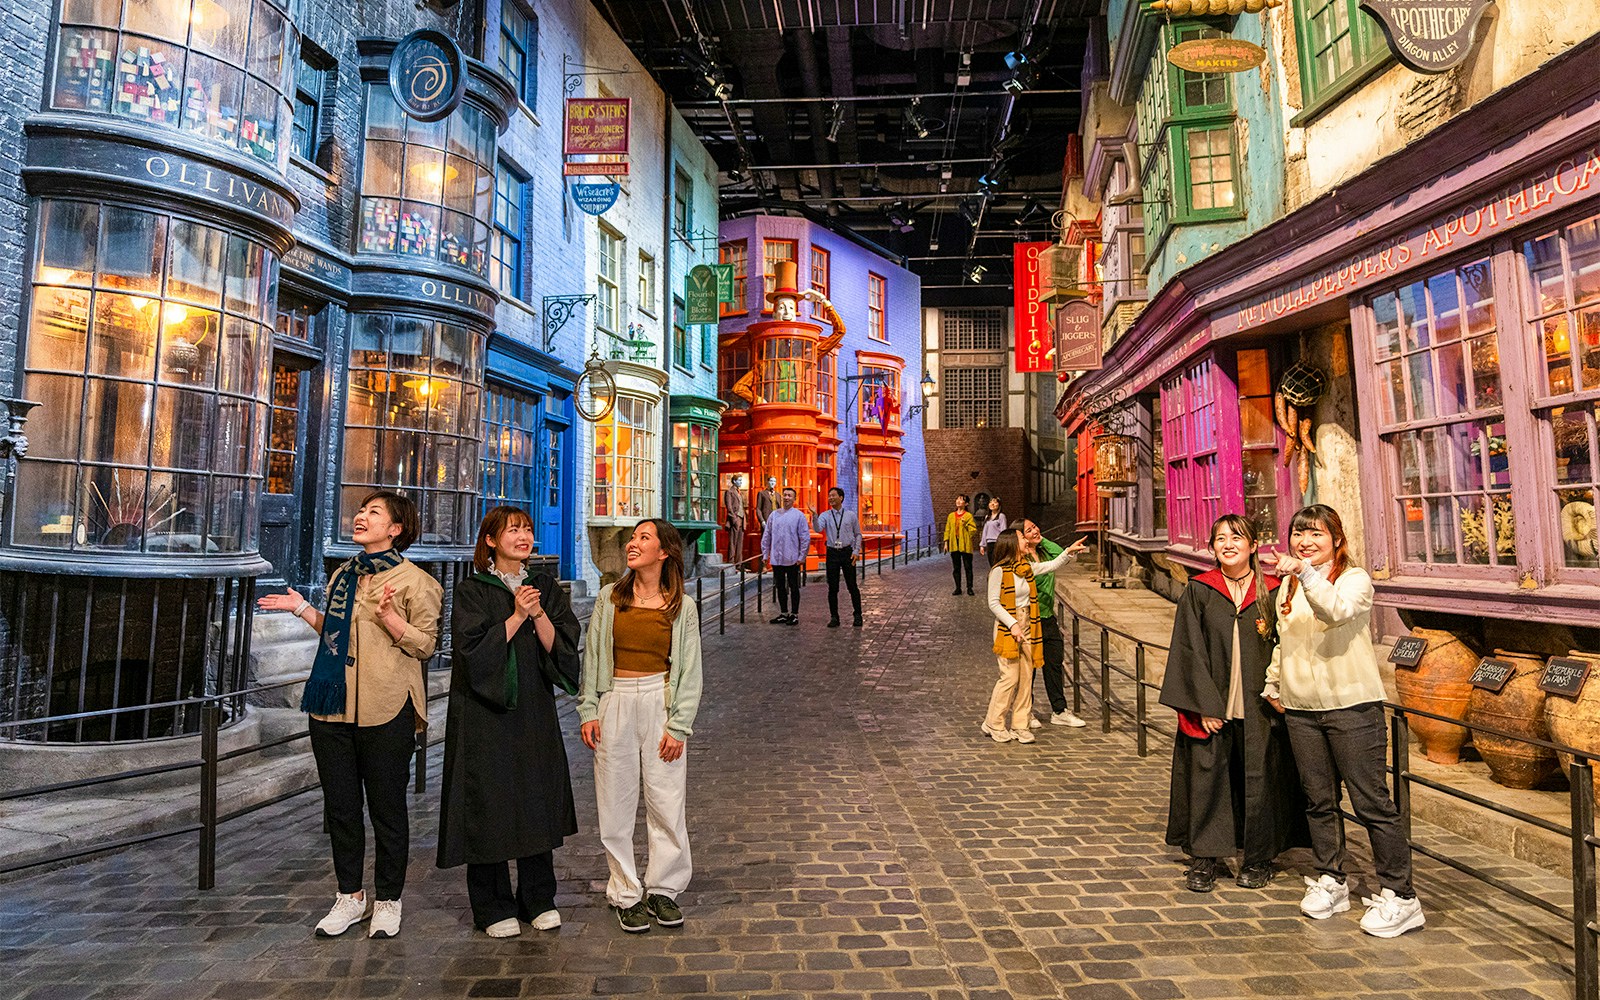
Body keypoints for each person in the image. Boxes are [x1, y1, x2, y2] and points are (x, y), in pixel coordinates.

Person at [258, 490, 441, 940]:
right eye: (361, 511)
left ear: (395, 528)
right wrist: (301, 608)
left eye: (373, 513)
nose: (361, 517)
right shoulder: (343, 575)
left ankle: (388, 900)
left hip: (387, 706)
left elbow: (427, 645)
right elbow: (336, 635)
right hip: (332, 709)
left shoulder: (417, 583)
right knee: (341, 808)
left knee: (387, 810)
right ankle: (349, 897)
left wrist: (391, 620)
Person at [1263, 504, 1424, 937]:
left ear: (1336, 540)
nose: (1304, 541)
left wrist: (1306, 574)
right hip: (1301, 709)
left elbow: (1334, 611)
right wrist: (1275, 681)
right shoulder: (1289, 585)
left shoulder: (1355, 580)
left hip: (1351, 707)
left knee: (1371, 802)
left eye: (1315, 534)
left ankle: (1402, 895)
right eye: (1298, 533)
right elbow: (1286, 639)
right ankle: (1332, 878)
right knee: (1318, 800)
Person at [437, 506, 581, 937]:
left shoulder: (544, 587)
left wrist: (536, 614)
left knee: (534, 795)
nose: (524, 536)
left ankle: (538, 896)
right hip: (484, 714)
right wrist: (516, 615)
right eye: (513, 530)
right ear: (491, 540)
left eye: (528, 529)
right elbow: (470, 655)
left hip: (533, 710)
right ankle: (492, 904)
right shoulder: (472, 591)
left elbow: (564, 650)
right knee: (489, 803)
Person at [1159, 514, 1306, 894]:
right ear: (1211, 548)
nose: (1228, 544)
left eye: (1237, 537)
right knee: (1209, 780)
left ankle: (1259, 859)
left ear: (1253, 545)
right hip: (1215, 707)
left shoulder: (1274, 590)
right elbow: (1188, 651)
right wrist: (1205, 705)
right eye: (1220, 538)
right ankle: (1205, 859)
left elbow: (1291, 645)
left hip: (1262, 705)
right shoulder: (1200, 591)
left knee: (1264, 779)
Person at [578, 519, 703, 934]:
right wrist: (589, 710)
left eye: (643, 538)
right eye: (633, 537)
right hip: (615, 698)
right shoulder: (609, 598)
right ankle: (626, 892)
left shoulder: (681, 606)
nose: (632, 543)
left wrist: (679, 725)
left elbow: (691, 671)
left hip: (659, 702)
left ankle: (664, 889)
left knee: (667, 799)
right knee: (614, 801)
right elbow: (593, 657)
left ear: (664, 551)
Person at [983, 528, 1086, 745]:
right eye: (1022, 537)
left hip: (1029, 624)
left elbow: (1049, 566)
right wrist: (1012, 625)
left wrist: (1069, 551)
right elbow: (994, 603)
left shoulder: (1025, 568)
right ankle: (994, 722)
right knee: (1009, 677)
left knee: (1026, 677)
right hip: (1007, 626)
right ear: (1012, 543)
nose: (1026, 540)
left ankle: (1020, 724)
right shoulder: (999, 571)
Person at [1019, 519, 1088, 729]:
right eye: (1028, 530)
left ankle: (1059, 710)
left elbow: (1061, 555)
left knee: (1054, 664)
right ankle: (1025, 711)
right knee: (1028, 668)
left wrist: (1039, 539)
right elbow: (1060, 558)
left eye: (1035, 526)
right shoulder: (1022, 561)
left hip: (1047, 617)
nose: (1035, 530)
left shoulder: (1045, 552)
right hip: (1030, 620)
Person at [761, 487, 811, 626]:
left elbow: (805, 537)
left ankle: (794, 614)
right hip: (777, 558)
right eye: (785, 495)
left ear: (794, 499)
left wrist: (802, 556)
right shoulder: (774, 515)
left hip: (792, 558)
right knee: (780, 586)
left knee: (794, 587)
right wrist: (766, 553)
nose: (787, 497)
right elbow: (767, 535)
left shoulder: (799, 516)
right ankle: (783, 613)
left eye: (790, 495)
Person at [818, 486, 864, 628]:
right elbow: (818, 529)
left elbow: (858, 534)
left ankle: (858, 615)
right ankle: (834, 617)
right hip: (832, 553)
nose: (830, 498)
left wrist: (856, 551)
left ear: (841, 498)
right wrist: (814, 515)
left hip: (847, 552)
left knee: (852, 586)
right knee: (832, 587)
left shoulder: (850, 515)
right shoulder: (825, 515)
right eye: (829, 496)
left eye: (833, 495)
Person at [943, 495, 977, 596]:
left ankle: (969, 588)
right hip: (954, 544)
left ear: (966, 504)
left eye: (961, 500)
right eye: (957, 499)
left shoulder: (968, 516)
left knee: (968, 567)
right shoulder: (951, 516)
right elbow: (947, 529)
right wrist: (946, 543)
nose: (958, 501)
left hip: (965, 545)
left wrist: (965, 524)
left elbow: (973, 530)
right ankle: (958, 588)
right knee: (956, 568)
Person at [723, 475, 747, 567]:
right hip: (735, 519)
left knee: (740, 543)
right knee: (733, 542)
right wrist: (734, 519)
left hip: (742, 519)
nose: (741, 482)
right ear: (734, 481)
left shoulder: (739, 492)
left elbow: (741, 506)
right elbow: (729, 507)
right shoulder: (729, 492)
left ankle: (739, 564)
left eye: (741, 480)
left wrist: (743, 519)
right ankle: (731, 563)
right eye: (739, 480)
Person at [980, 496, 1008, 566]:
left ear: (999, 505)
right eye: (991, 502)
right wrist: (982, 545)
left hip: (998, 542)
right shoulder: (987, 517)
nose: (992, 504)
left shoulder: (1001, 516)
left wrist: (1003, 543)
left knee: (998, 563)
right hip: (989, 543)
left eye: (995, 502)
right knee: (991, 563)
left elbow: (1003, 530)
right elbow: (985, 531)